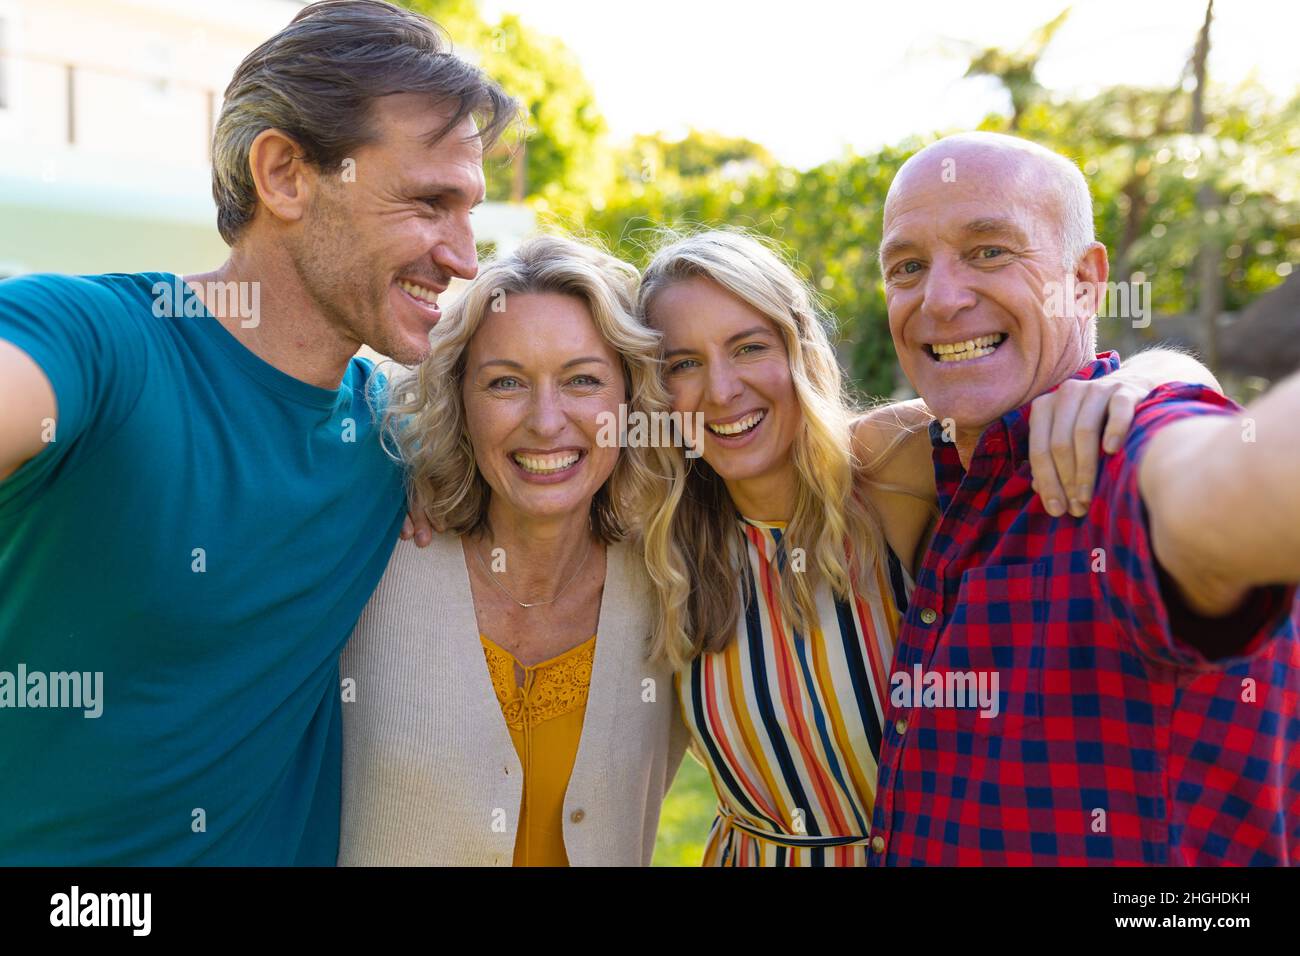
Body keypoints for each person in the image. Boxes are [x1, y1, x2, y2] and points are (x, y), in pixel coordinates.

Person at [0, 0, 514, 864]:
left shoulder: (397, 440)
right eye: (429, 202)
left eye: (470, 211)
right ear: (283, 174)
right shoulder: (97, 345)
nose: (463, 256)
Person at [635, 228, 1218, 865]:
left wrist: (1147, 378)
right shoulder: (658, 535)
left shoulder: (894, 462)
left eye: (748, 347)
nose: (721, 390)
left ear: (798, 348)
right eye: (684, 364)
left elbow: (1126, 385)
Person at [870, 131, 1300, 865]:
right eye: (908, 267)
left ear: (1085, 278)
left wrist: (1177, 388)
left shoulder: (1125, 455)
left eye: (990, 251)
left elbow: (1229, 484)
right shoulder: (939, 466)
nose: (940, 299)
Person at [339, 235, 688, 866]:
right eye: (505, 383)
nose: (546, 421)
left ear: (631, 400)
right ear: (459, 401)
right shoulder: (370, 561)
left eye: (583, 379)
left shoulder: (672, 578)